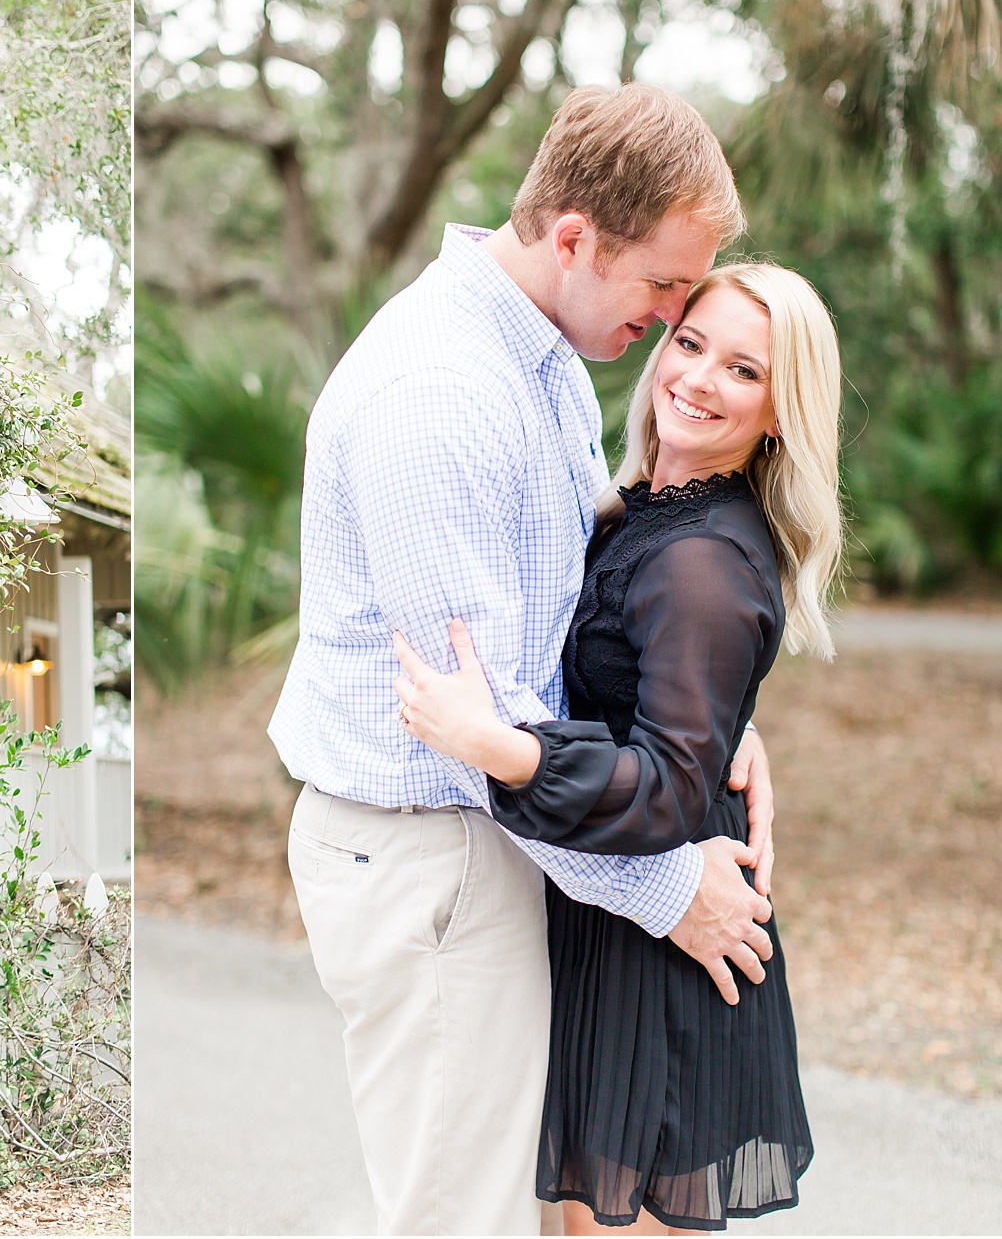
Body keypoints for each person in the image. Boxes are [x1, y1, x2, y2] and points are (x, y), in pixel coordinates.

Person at [270, 84, 778, 1237]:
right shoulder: (440, 393)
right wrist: (668, 890)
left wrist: (709, 716)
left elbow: (561, 613)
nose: (669, 318)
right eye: (662, 284)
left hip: (495, 845)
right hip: (434, 852)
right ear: (572, 238)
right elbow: (482, 728)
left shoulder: (538, 353)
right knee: (464, 1219)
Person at [394, 261, 840, 1232]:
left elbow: (671, 794)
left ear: (778, 411)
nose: (697, 378)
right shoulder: (646, 509)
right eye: (689, 343)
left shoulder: (703, 559)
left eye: (743, 370)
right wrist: (732, 719)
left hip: (662, 943)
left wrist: (501, 747)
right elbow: (655, 686)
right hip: (607, 909)